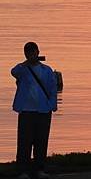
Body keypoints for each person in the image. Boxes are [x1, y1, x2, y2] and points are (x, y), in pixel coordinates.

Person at [11, 42, 57, 179]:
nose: (31, 55)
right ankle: (22, 171)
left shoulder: (46, 70)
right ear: (25, 54)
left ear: (38, 52)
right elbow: (13, 71)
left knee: (41, 141)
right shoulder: (22, 70)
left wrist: (52, 105)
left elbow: (52, 89)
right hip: (26, 110)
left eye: (33, 52)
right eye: (28, 53)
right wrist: (26, 63)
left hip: (44, 110)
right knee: (24, 142)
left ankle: (39, 169)